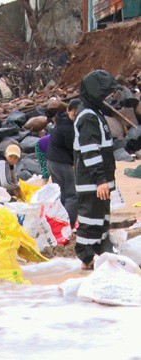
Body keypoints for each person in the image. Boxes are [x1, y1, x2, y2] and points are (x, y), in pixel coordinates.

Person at [73, 70, 122, 270]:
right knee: (90, 220)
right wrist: (100, 180)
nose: (106, 98)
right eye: (104, 94)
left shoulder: (95, 113)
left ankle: (102, 256)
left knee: (102, 220)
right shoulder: (88, 116)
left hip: (100, 182)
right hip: (93, 183)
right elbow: (90, 151)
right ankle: (87, 258)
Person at [46, 99, 80, 228]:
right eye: (74, 115)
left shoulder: (61, 121)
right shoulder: (68, 127)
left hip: (52, 161)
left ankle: (59, 223)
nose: (75, 117)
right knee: (73, 195)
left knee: (62, 193)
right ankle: (68, 225)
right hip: (61, 163)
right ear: (68, 110)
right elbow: (72, 147)